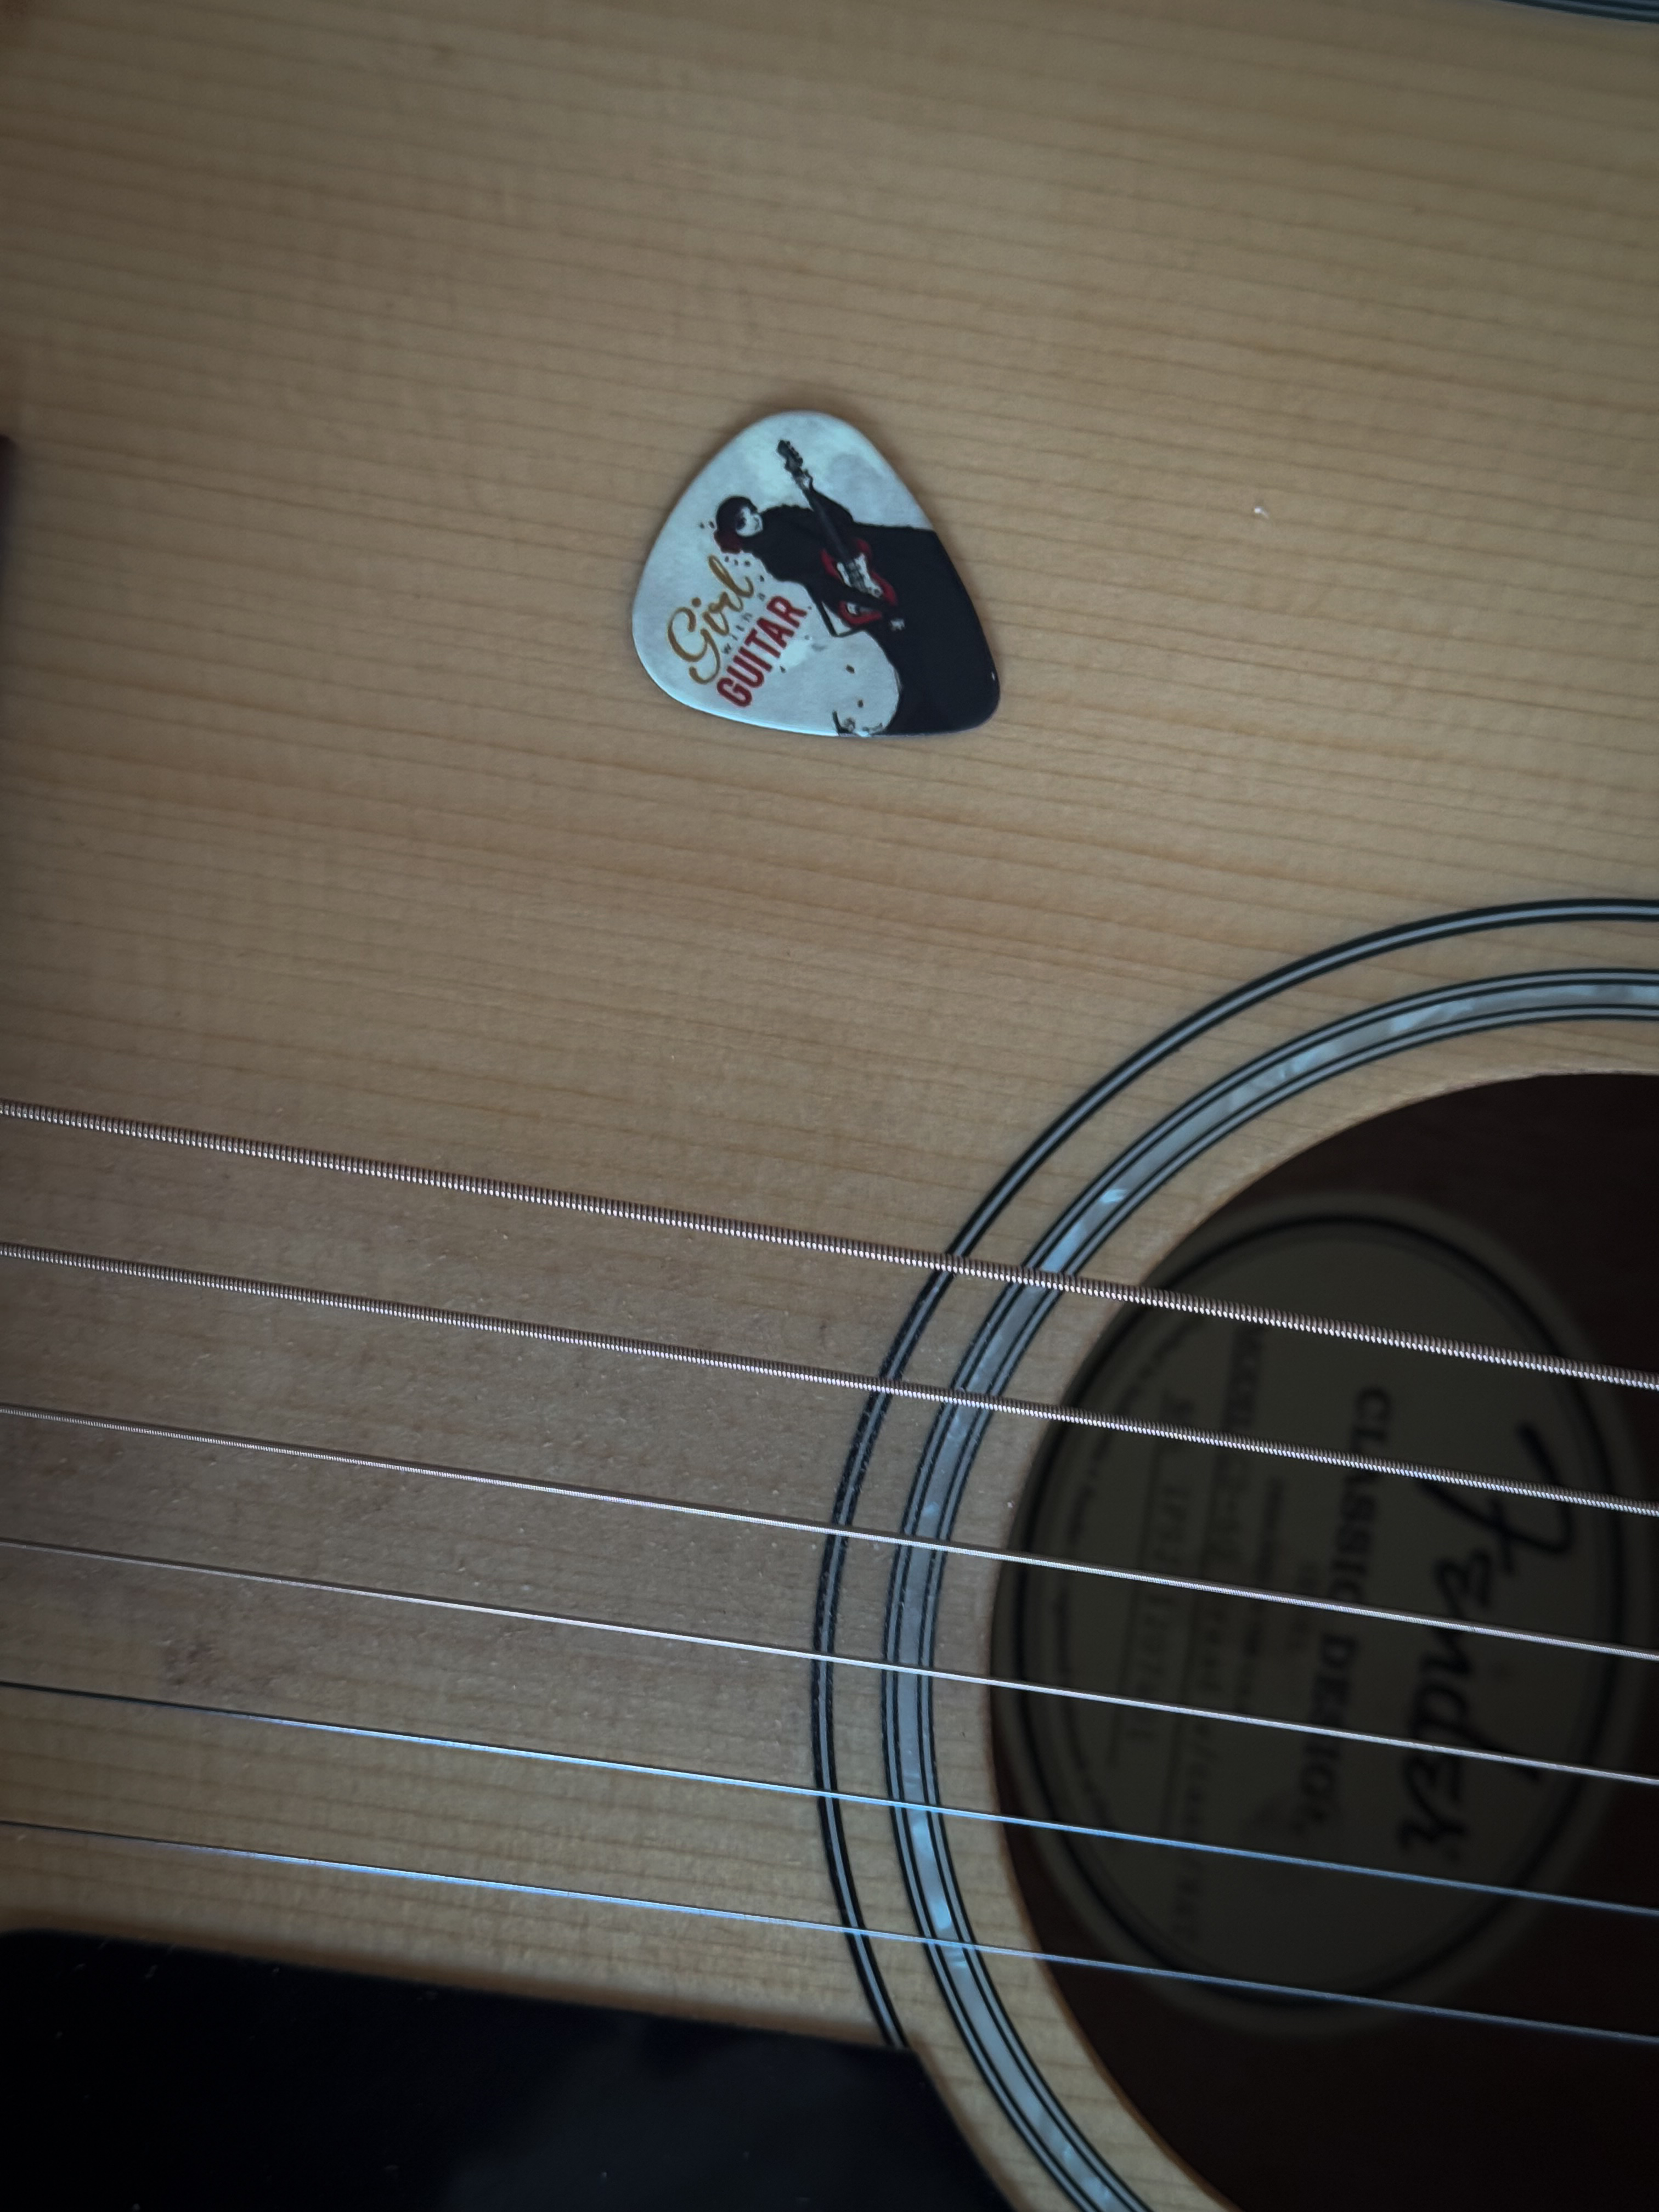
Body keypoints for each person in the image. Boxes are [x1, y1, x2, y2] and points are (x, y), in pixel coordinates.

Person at [711, 489, 996, 736]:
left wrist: (812, 492)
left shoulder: (779, 514)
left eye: (751, 510)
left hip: (860, 551)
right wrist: (879, 605)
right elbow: (828, 586)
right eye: (742, 520)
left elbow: (839, 522)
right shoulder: (775, 562)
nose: (753, 517)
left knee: (922, 562)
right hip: (854, 592)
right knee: (906, 644)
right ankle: (940, 703)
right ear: (736, 532)